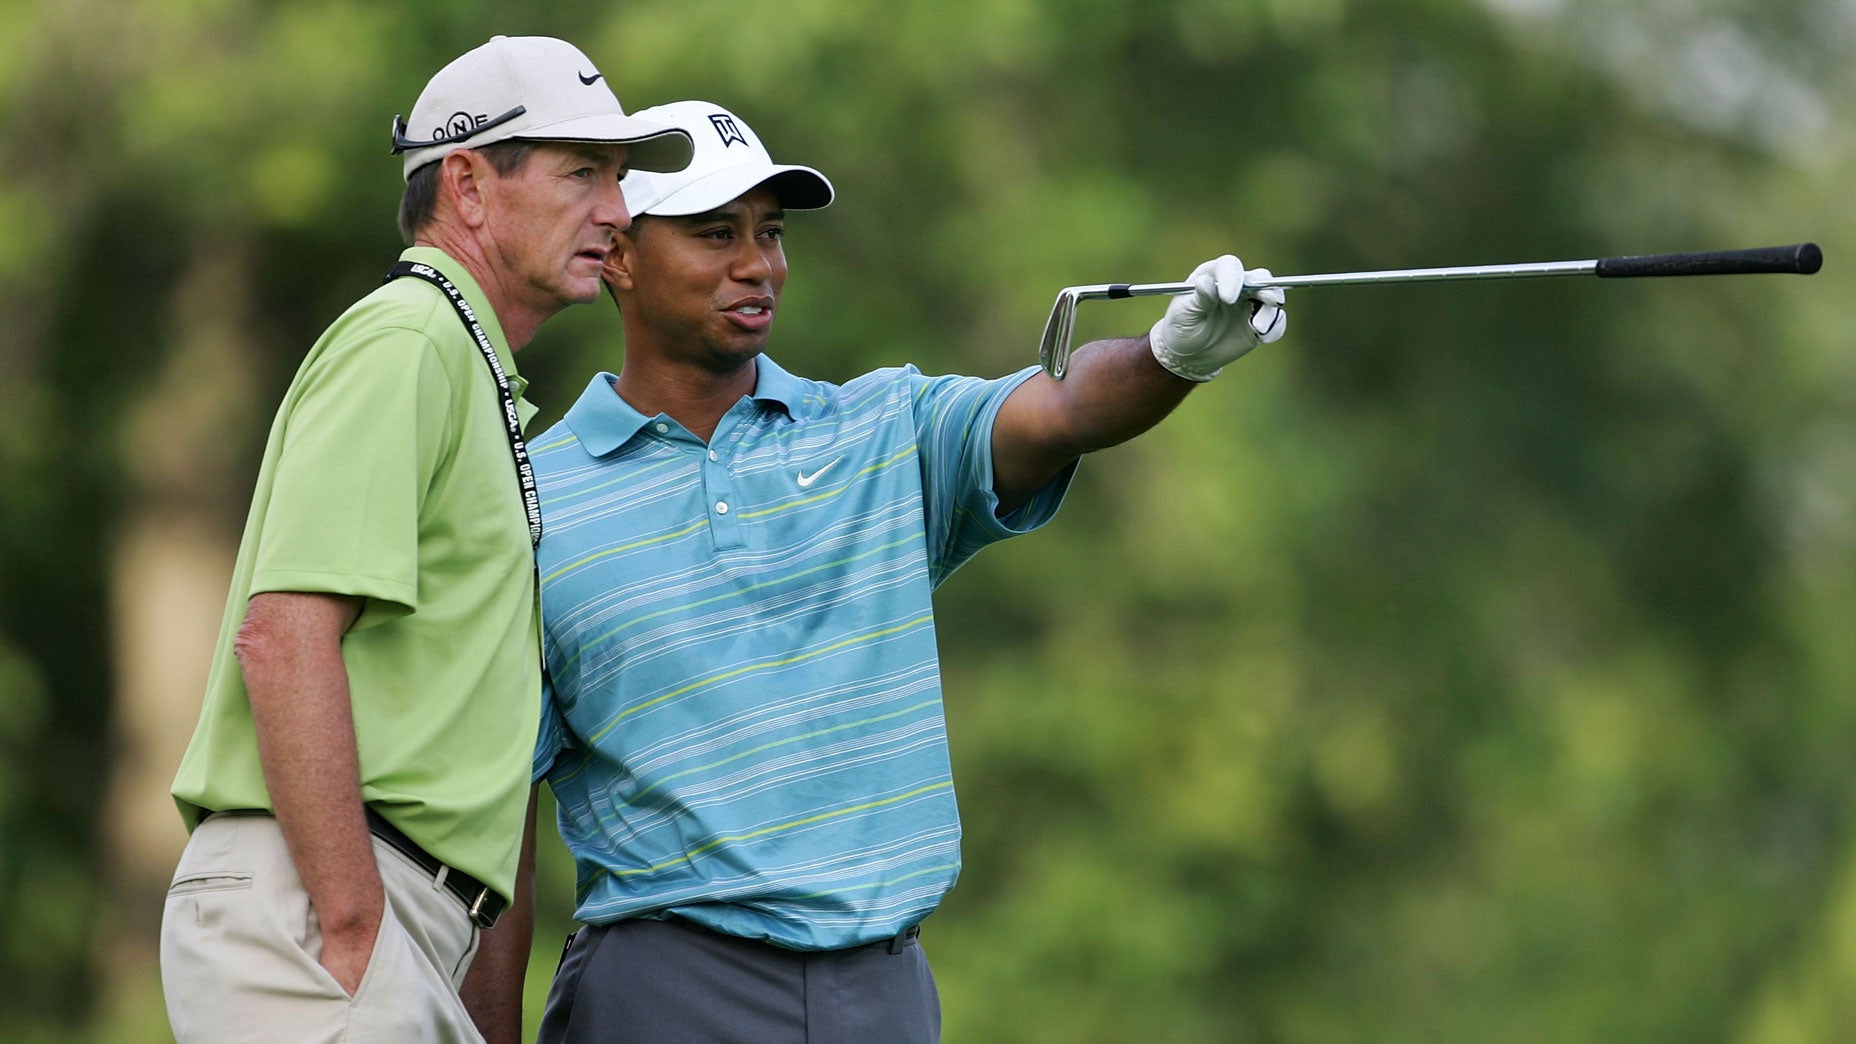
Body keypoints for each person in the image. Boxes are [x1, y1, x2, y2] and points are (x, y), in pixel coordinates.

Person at [525, 100, 1287, 1043]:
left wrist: (1168, 357)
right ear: (623, 257)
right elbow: (497, 816)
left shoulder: (880, 429)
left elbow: (1055, 409)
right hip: (664, 983)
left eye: (770, 233)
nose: (758, 264)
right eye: (716, 233)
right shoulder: (532, 500)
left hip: (877, 989)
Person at [159, 36, 692, 1044]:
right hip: (327, 899)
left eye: (617, 181)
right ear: (468, 185)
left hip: (370, 904)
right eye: (583, 174)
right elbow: (283, 637)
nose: (618, 214)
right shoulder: (409, 341)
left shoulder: (459, 358)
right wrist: (354, 921)